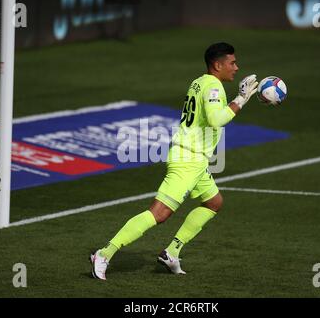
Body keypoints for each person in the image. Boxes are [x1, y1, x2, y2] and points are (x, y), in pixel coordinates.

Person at [90, 42, 258, 280]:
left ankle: (171, 252)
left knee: (214, 203)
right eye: (232, 63)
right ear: (218, 65)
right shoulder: (213, 87)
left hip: (196, 161)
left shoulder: (199, 81)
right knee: (158, 214)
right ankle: (104, 253)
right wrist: (240, 100)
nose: (236, 67)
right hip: (188, 160)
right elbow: (216, 119)